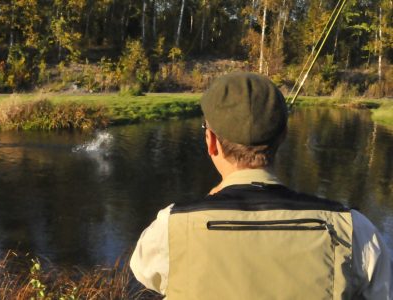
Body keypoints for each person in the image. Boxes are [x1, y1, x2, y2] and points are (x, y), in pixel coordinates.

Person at [130, 72, 392, 299]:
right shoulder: (354, 230)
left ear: (211, 142)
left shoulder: (169, 227)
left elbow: (144, 272)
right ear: (283, 137)